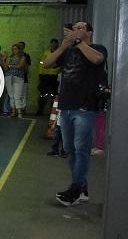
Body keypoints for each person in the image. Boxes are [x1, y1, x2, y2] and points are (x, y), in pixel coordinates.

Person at [42, 21, 107, 207]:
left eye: (80, 28)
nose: (76, 31)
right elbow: (47, 63)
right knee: (70, 149)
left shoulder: (97, 48)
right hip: (67, 106)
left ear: (89, 33)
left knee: (81, 149)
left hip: (85, 108)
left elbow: (97, 59)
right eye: (74, 28)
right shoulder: (69, 51)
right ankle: (81, 188)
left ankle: (75, 189)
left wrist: (78, 42)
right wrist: (63, 46)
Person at [36, 38, 61, 115]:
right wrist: (40, 73)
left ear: (57, 44)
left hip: (54, 76)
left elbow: (60, 64)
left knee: (54, 94)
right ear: (50, 44)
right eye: (52, 43)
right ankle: (40, 110)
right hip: (45, 76)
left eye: (55, 43)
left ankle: (53, 111)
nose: (53, 45)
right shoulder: (46, 53)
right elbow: (41, 63)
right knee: (43, 94)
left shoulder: (59, 52)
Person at [4, 44, 27, 118]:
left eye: (16, 49)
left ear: (19, 50)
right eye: (13, 49)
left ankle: (20, 113)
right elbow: (6, 67)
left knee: (17, 95)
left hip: (18, 77)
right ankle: (13, 112)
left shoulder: (23, 57)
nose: (14, 51)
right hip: (9, 76)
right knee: (11, 96)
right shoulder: (9, 57)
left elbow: (20, 66)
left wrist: (10, 66)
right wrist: (5, 60)